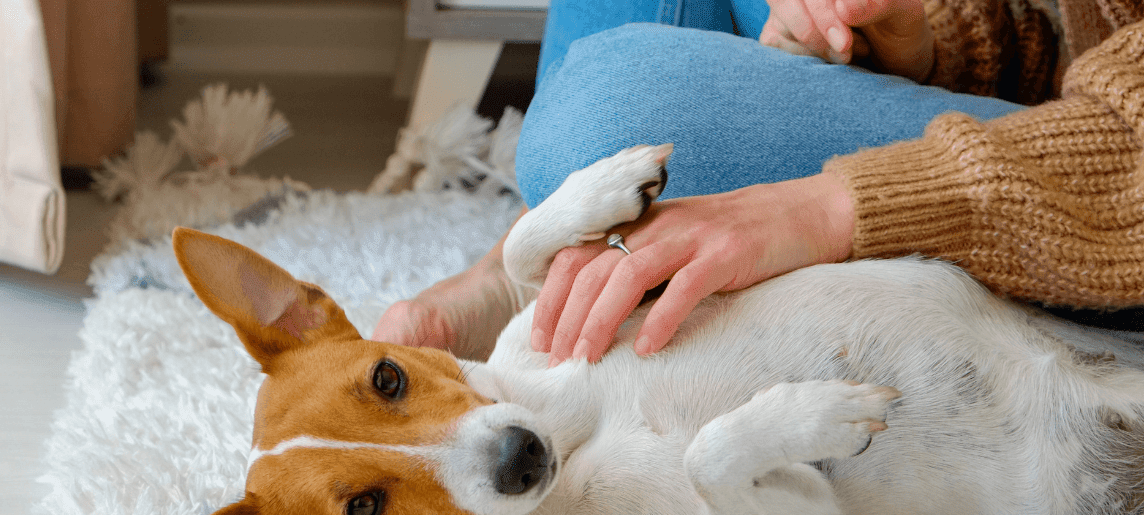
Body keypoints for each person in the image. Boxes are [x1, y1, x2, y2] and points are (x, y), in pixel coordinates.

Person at [373, 0, 1144, 365]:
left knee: (606, 110)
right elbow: (1074, 37)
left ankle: (535, 270)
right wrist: (913, 43)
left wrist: (826, 206)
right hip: (1067, 109)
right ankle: (531, 259)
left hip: (1114, 177)